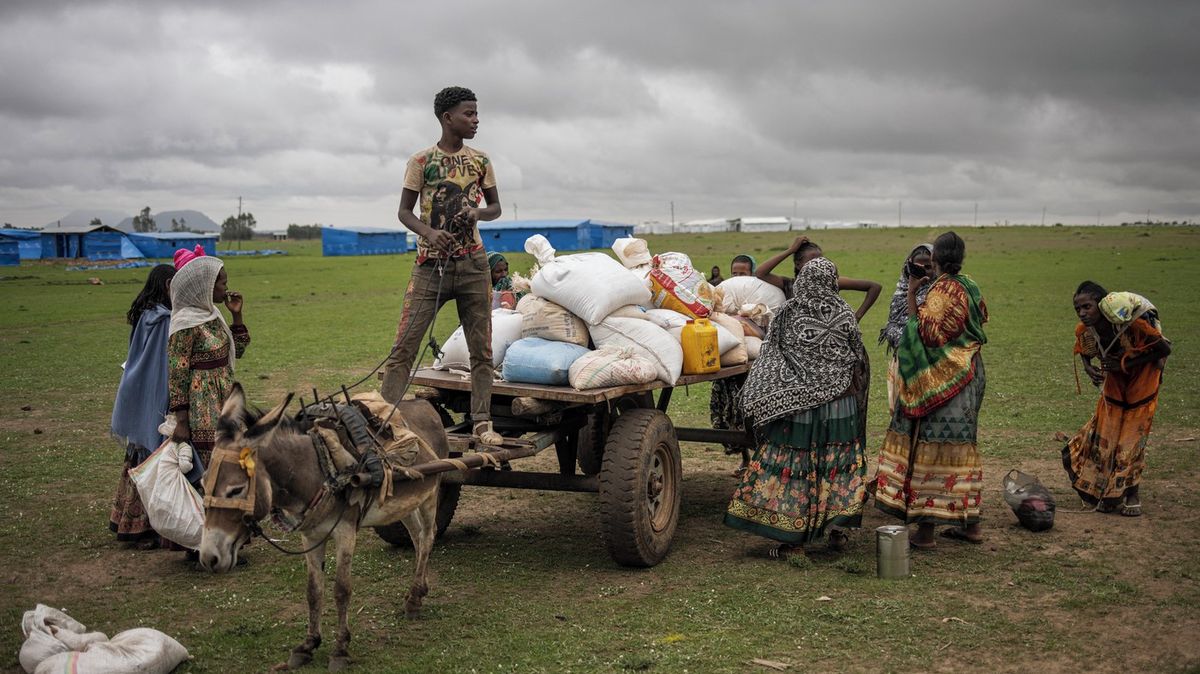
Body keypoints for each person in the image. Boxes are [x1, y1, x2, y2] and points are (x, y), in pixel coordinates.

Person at [380, 86, 503, 446]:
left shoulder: (481, 160)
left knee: (482, 350)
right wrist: (430, 233)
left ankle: (482, 422)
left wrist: (477, 212)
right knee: (404, 345)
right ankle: (383, 418)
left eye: (477, 113)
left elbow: (495, 208)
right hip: (429, 267)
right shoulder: (421, 161)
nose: (476, 120)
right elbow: (404, 211)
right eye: (469, 113)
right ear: (448, 118)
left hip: (474, 265)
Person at [726, 257, 867, 558]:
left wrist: (769, 393)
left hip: (799, 407)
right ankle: (837, 530)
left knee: (797, 465)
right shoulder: (844, 312)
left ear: (803, 280)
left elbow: (771, 352)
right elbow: (857, 354)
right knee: (835, 466)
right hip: (840, 405)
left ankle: (793, 541)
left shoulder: (789, 312)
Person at [874, 231, 987, 549]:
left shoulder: (940, 293)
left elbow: (921, 336)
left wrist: (913, 294)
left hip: (940, 382)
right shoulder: (969, 284)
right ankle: (971, 526)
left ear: (935, 260)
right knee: (963, 448)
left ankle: (925, 533)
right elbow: (980, 320)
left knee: (930, 448)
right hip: (969, 373)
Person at [757, 236, 881, 446]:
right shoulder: (790, 285)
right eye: (811, 261)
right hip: (801, 359)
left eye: (821, 260)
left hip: (831, 357)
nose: (818, 265)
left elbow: (874, 286)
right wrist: (790, 249)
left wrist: (856, 317)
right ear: (798, 264)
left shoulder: (831, 284)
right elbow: (760, 273)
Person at [1063, 283, 1170, 516]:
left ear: (1101, 306)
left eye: (1087, 307)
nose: (1082, 312)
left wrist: (1125, 363)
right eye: (1078, 308)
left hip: (1143, 380)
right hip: (1115, 382)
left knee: (1130, 440)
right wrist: (1088, 368)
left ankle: (1132, 494)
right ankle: (1110, 492)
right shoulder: (1086, 330)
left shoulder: (1133, 324)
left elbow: (1163, 348)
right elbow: (1084, 350)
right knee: (1106, 436)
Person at [109, 264, 177, 548]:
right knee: (152, 457)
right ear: (166, 286)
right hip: (154, 393)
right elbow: (162, 364)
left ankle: (130, 521)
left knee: (140, 455)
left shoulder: (145, 314)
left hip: (137, 389)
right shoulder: (162, 320)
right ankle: (144, 529)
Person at [168, 247, 249, 480]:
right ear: (205, 286)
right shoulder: (185, 324)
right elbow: (177, 375)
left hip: (225, 399)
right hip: (202, 406)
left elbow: (239, 351)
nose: (226, 288)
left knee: (233, 456)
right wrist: (182, 423)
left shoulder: (213, 314)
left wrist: (237, 316)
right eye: (222, 283)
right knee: (212, 465)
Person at [710, 253, 758, 476]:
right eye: (735, 273)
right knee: (728, 410)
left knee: (751, 411)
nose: (738, 277)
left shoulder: (757, 297)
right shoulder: (723, 294)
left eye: (743, 273)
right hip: (728, 362)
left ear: (752, 275)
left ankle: (758, 459)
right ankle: (745, 459)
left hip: (751, 366)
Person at [878, 243, 935, 415]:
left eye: (928, 267)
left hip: (929, 363)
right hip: (902, 361)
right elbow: (895, 325)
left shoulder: (939, 293)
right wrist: (910, 291)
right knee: (901, 412)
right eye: (917, 267)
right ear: (908, 266)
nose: (924, 271)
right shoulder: (901, 291)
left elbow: (920, 330)